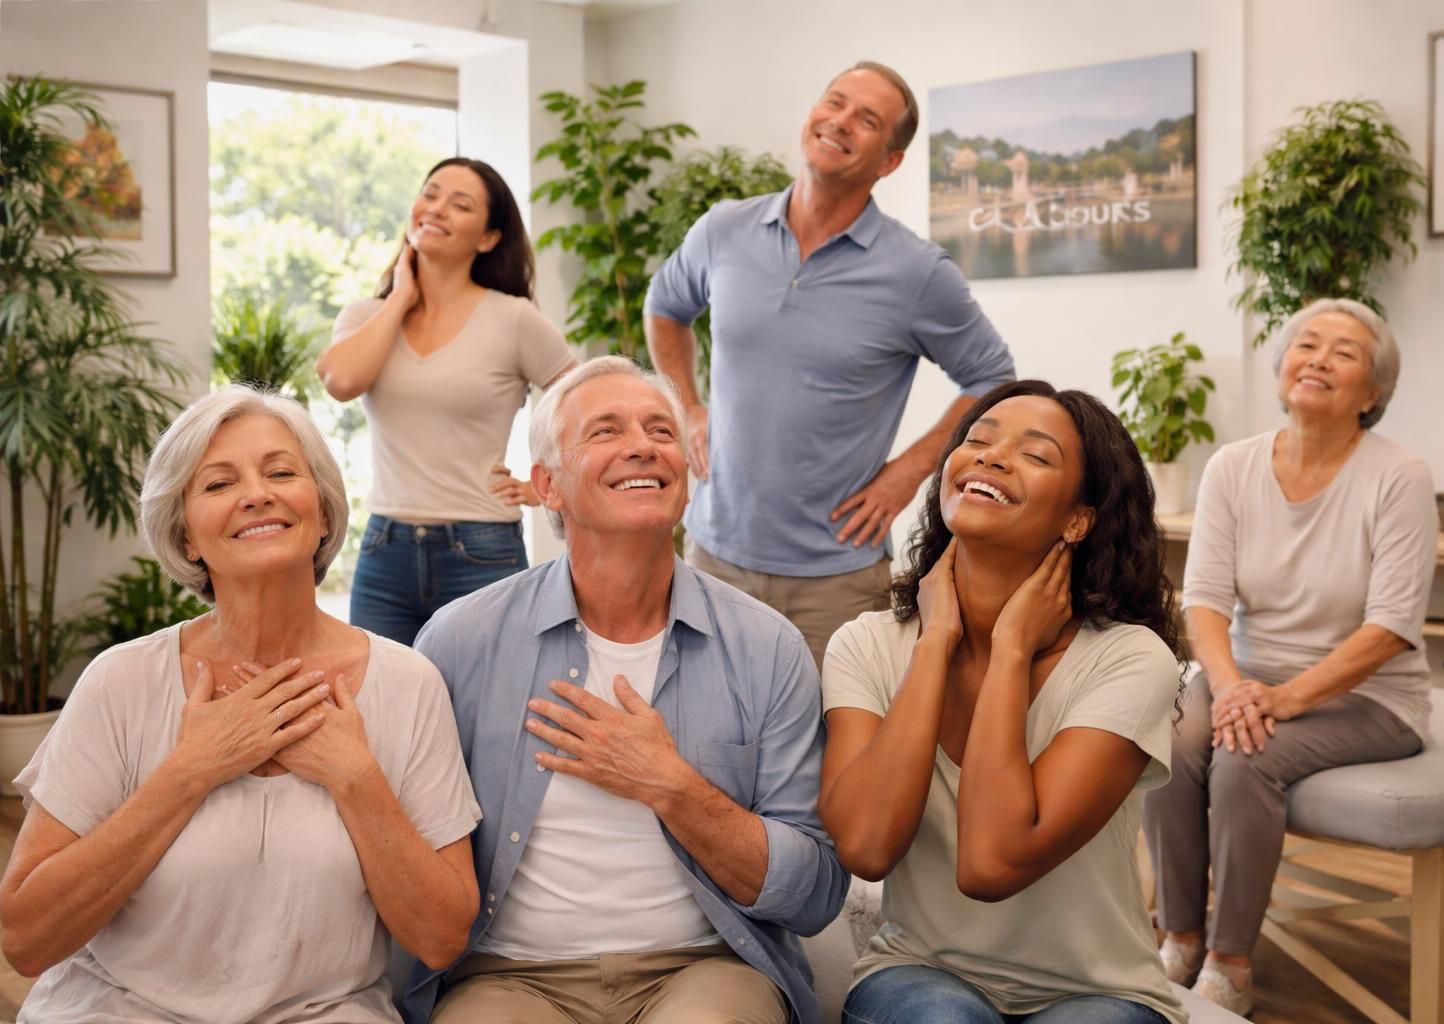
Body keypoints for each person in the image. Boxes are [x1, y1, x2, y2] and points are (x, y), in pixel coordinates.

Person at [0, 386, 482, 1023]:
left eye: (282, 472)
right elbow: (27, 938)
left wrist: (355, 778)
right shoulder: (121, 681)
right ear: (186, 537)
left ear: (323, 512)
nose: (258, 493)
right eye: (218, 483)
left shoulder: (409, 683)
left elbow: (441, 939)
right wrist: (190, 771)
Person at [400, 357, 849, 1024]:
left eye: (661, 431)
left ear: (687, 474)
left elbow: (814, 893)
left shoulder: (767, 645)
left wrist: (670, 786)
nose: (643, 445)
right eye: (606, 431)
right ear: (548, 486)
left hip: (703, 969)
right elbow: (417, 864)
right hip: (510, 977)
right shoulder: (460, 641)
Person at [819, 380, 1187, 1024]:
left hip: (1097, 993)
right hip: (921, 976)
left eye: (1036, 456)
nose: (989, 457)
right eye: (977, 440)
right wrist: (936, 641)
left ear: (1079, 519)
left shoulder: (1129, 660)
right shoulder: (867, 645)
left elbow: (990, 863)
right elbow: (867, 847)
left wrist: (1012, 649)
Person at [645, 61, 1014, 667]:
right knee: (705, 742)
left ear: (888, 161)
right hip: (712, 557)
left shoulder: (917, 272)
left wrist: (907, 474)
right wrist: (685, 406)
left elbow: (994, 378)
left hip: (835, 580)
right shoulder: (724, 229)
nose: (840, 122)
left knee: (832, 759)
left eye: (866, 120)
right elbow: (665, 307)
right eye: (834, 103)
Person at [1144, 298, 1436, 1015]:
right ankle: (1178, 936)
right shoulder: (1233, 467)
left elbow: (1392, 626)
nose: (1319, 359)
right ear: (1281, 372)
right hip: (1245, 675)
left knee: (1248, 759)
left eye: (1344, 352)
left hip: (1372, 696)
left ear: (1373, 394)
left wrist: (1281, 699)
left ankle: (1230, 960)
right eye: (1307, 345)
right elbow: (1205, 598)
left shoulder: (1400, 476)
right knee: (1169, 737)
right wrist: (1235, 684)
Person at [319, 156, 578, 646]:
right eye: (430, 193)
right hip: (384, 548)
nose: (436, 209)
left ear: (487, 238)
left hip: (481, 549)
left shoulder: (513, 319)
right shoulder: (367, 316)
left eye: (460, 204)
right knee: (379, 706)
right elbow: (341, 381)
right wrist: (399, 298)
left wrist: (547, 483)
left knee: (485, 711)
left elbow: (587, 398)